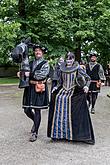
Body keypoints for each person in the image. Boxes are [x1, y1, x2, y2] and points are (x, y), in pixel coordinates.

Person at [47, 52, 95, 145]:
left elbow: (88, 78)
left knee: (72, 102)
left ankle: (76, 135)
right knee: (58, 98)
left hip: (73, 90)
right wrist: (56, 87)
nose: (69, 61)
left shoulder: (78, 68)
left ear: (73, 59)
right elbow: (60, 82)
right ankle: (58, 134)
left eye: (71, 59)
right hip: (63, 90)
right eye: (68, 59)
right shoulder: (62, 68)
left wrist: (86, 86)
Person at [18, 44, 50, 142]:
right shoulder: (30, 63)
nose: (37, 52)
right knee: (27, 110)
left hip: (39, 88)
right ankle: (35, 122)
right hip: (29, 88)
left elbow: (41, 75)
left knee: (37, 110)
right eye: (36, 51)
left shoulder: (46, 63)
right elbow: (25, 73)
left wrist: (29, 74)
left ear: (42, 53)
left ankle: (35, 132)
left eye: (39, 51)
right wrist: (21, 73)